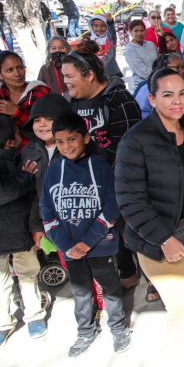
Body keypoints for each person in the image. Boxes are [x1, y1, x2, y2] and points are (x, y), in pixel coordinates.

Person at [114, 69, 184, 367]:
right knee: (180, 308)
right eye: (167, 95)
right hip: (157, 241)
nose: (176, 101)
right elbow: (129, 200)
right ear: (152, 99)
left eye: (182, 93)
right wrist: (163, 239)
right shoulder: (136, 141)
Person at [39, 113, 130, 357]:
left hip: (100, 244)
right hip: (69, 247)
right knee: (80, 291)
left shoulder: (100, 167)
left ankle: (118, 327)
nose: (67, 146)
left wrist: (87, 242)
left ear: (86, 138)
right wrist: (66, 246)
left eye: (72, 139)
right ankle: (85, 331)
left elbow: (112, 207)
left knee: (110, 287)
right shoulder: (53, 169)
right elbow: (46, 209)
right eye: (60, 142)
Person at [0, 117, 46, 345]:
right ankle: (4, 322)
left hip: (21, 232)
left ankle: (34, 315)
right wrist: (25, 178)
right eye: (18, 135)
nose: (21, 138)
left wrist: (35, 227)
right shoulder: (22, 168)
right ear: (9, 142)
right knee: (4, 280)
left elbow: (34, 199)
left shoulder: (23, 160)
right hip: (13, 235)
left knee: (28, 275)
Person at [62, 40, 141, 166]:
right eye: (64, 76)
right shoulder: (68, 101)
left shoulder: (120, 101)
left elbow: (125, 151)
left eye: (69, 76)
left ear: (89, 75)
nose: (65, 81)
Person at [0, 51, 50, 133]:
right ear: (1, 75)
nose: (17, 74)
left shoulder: (39, 90)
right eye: (10, 70)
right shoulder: (1, 95)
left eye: (19, 67)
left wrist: (17, 112)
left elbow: (47, 125)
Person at [124, 19, 158, 89]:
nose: (139, 34)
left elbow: (160, 60)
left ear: (145, 31)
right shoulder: (129, 50)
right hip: (143, 84)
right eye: (136, 31)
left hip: (158, 79)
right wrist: (161, 72)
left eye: (142, 30)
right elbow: (145, 73)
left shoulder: (150, 44)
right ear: (130, 32)